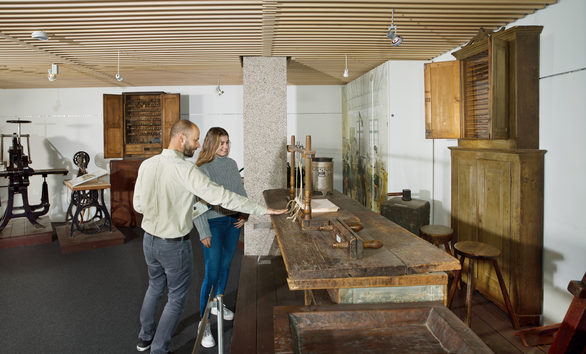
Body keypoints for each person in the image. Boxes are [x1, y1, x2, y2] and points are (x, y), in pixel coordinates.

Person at [133, 120, 286, 354]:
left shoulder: (147, 164)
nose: (196, 146)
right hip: (173, 246)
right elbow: (222, 197)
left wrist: (165, 210)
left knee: (155, 288)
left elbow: (139, 205)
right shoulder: (186, 170)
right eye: (194, 140)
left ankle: (144, 339)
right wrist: (263, 210)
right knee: (175, 299)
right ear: (181, 138)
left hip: (149, 241)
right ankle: (158, 349)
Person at [192, 127, 245, 348]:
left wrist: (244, 213)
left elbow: (239, 193)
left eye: (227, 142)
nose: (225, 147)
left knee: (225, 265)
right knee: (212, 272)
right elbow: (195, 202)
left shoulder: (232, 164)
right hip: (212, 223)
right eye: (220, 143)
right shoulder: (201, 168)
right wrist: (203, 230)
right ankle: (203, 323)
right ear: (210, 144)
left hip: (233, 223)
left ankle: (218, 302)